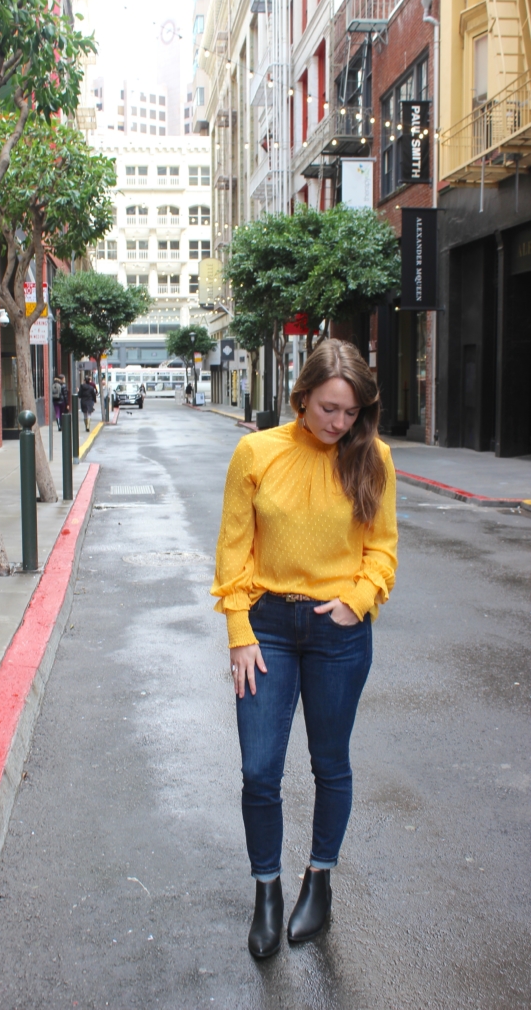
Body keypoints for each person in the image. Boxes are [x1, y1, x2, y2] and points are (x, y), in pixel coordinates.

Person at [211, 339, 398, 959]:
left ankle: (318, 880)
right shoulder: (256, 452)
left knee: (329, 762)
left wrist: (358, 599)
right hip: (266, 627)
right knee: (259, 770)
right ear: (301, 397)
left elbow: (383, 549)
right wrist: (239, 630)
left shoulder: (372, 459)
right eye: (328, 409)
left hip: (338, 634)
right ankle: (267, 889)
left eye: (350, 413)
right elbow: (233, 548)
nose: (339, 423)